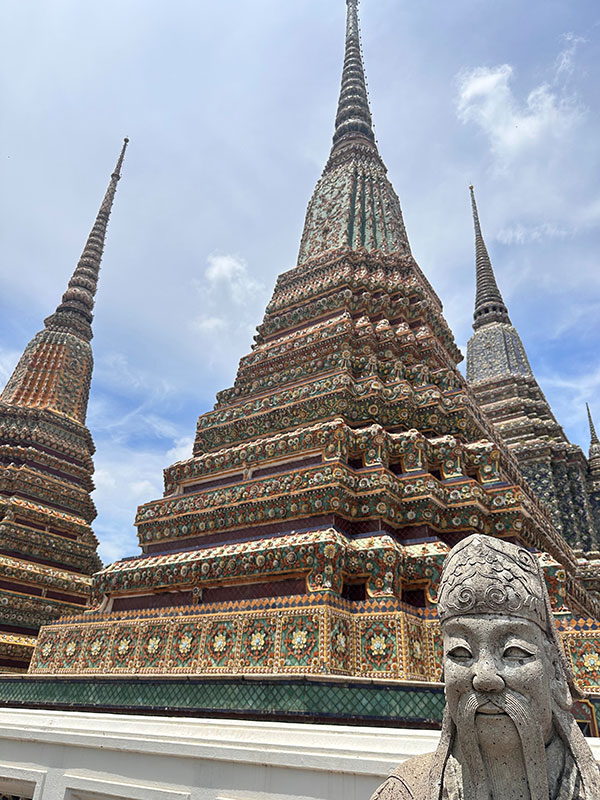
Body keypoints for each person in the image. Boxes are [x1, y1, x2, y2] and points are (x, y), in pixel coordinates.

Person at [371, 534, 600, 800]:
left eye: (514, 652)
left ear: (555, 672)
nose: (485, 677)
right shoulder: (406, 792)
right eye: (460, 653)